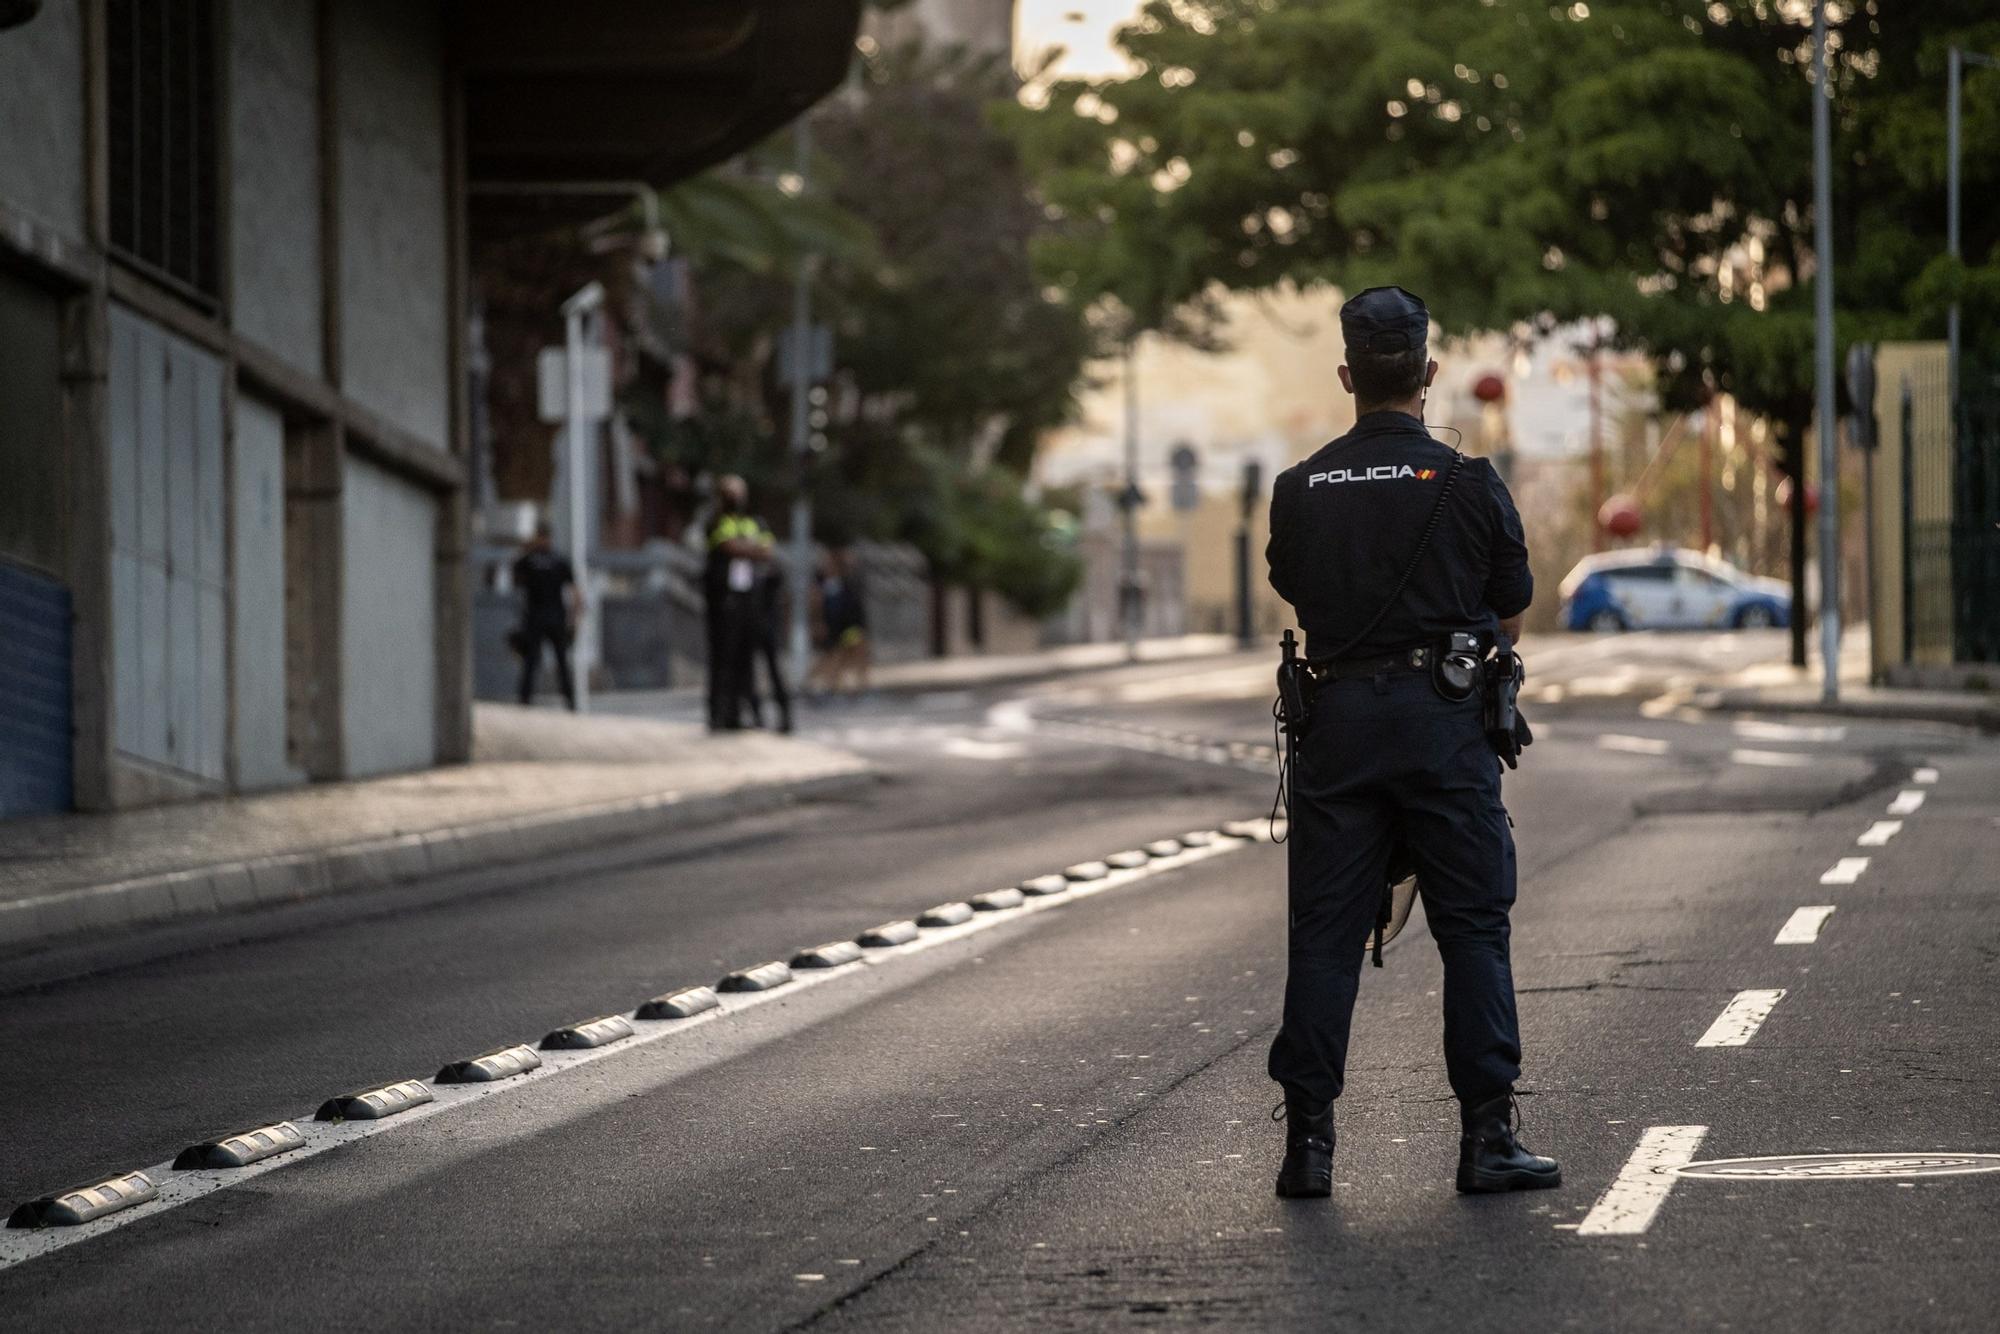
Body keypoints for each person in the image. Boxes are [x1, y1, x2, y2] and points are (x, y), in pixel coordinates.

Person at [1263, 286, 1558, 1199]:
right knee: (1472, 928)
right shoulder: (1467, 482)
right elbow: (1511, 609)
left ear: (1349, 376)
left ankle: (1307, 1149)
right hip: (1442, 728)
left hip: (1337, 732)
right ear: (1427, 375)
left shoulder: (1299, 488)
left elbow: (1296, 590)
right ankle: (1485, 1140)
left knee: (1322, 937)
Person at [702, 475, 773, 731]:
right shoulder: (716, 522)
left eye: (740, 492)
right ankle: (718, 715)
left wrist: (746, 548)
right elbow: (728, 546)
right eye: (731, 493)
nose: (737, 498)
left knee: (747, 659)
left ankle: (744, 713)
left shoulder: (753, 522)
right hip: (723, 601)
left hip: (749, 600)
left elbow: (767, 550)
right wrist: (750, 548)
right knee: (722, 659)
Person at [512, 521, 579, 710]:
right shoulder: (558, 560)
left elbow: (514, 576)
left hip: (539, 616)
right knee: (552, 661)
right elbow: (575, 594)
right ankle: (568, 701)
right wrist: (574, 620)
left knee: (537, 661)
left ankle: (527, 701)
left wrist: (525, 549)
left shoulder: (529, 560)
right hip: (551, 616)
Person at [807, 547, 869, 698]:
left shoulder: (846, 580)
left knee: (856, 652)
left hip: (850, 625)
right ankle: (818, 683)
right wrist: (818, 623)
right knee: (833, 657)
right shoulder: (821, 583)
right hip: (832, 625)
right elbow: (816, 604)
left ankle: (857, 687)